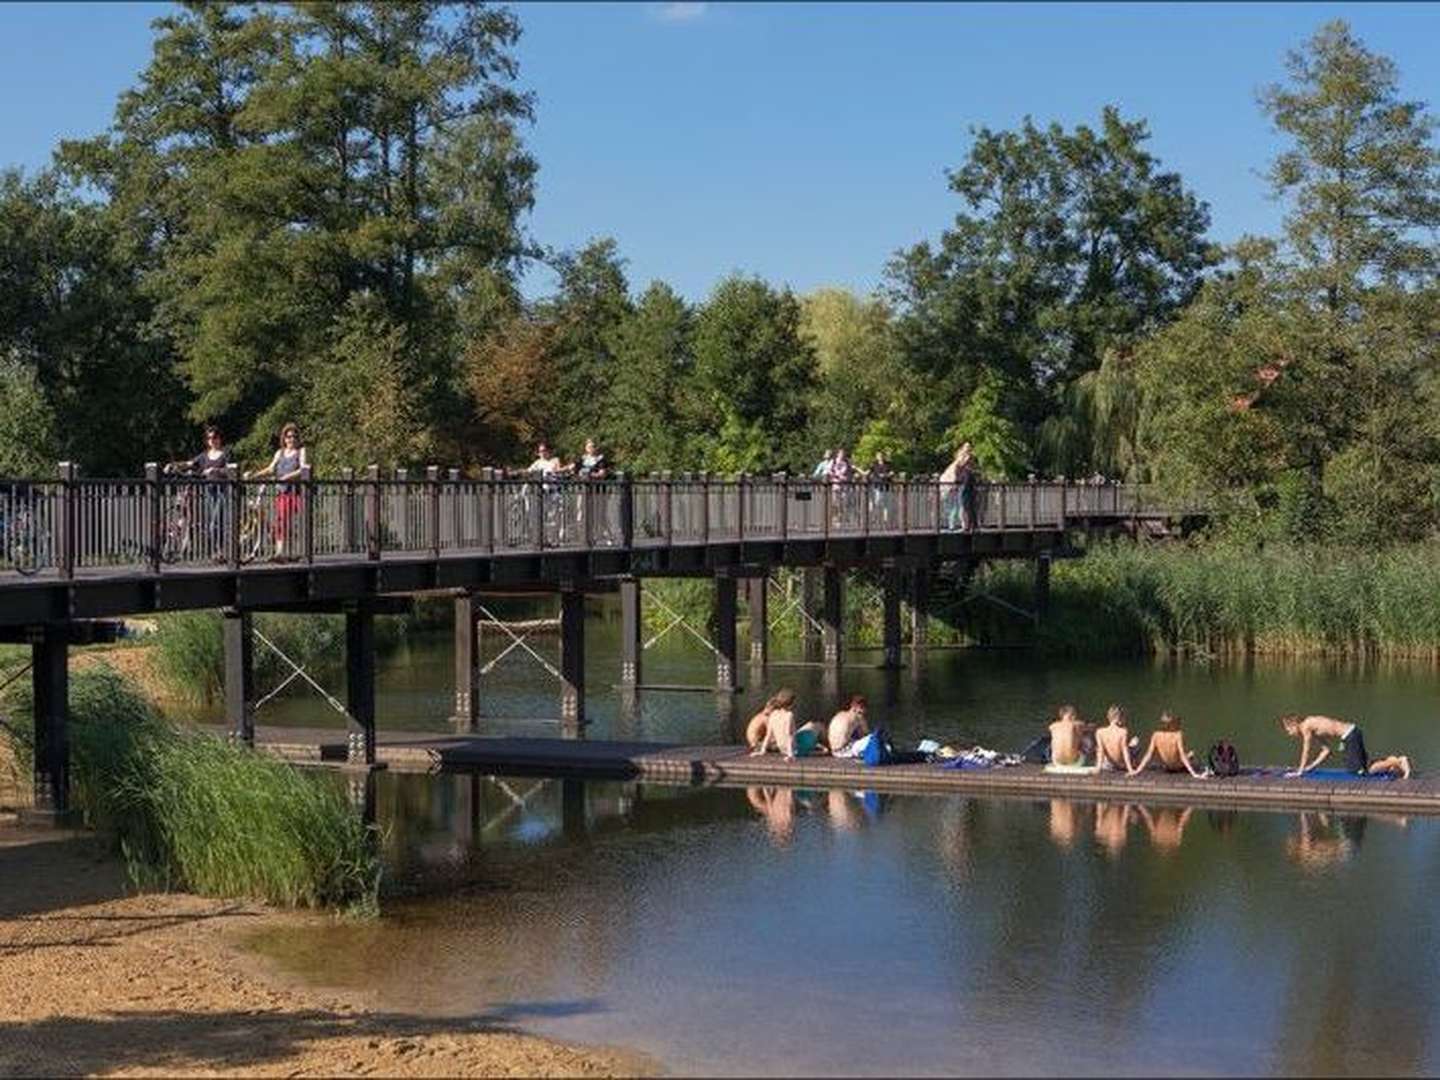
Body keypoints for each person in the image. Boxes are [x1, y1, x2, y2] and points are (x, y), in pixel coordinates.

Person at [244, 422, 308, 560]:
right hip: (281, 491)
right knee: (281, 520)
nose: (291, 439)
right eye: (288, 436)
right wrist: (254, 475)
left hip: (294, 491)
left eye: (294, 436)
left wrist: (287, 477)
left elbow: (303, 469)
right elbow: (271, 469)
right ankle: (284, 553)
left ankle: (283, 552)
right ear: (284, 438)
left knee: (285, 521)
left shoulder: (301, 451)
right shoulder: (279, 453)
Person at [1277, 714, 1411, 778]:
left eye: (1289, 730)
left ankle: (1398, 761)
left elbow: (1305, 751)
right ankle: (1391, 762)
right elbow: (1326, 751)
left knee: (1362, 772)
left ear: (1294, 725)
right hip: (1350, 734)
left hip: (1350, 735)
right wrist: (1309, 768)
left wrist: (1299, 772)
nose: (1289, 734)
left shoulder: (1306, 726)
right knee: (1357, 767)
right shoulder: (1312, 728)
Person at [1129, 711, 1207, 778]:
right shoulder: (1177, 735)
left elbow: (1148, 754)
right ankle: (1203, 768)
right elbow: (1182, 755)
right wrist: (1194, 774)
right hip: (1177, 766)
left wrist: (1137, 771)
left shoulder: (1156, 735)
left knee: (1156, 761)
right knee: (1192, 755)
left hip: (1166, 766)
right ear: (1172, 723)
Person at [750, 688, 798, 759]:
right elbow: (789, 735)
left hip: (782, 749)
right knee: (814, 726)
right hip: (793, 750)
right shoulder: (789, 715)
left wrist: (762, 751)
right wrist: (791, 754)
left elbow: (768, 735)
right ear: (791, 703)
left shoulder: (773, 714)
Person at [1094, 705, 1138, 772]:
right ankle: (1133, 764)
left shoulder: (1100, 732)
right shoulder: (1123, 731)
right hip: (1121, 764)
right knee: (1135, 741)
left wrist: (1098, 768)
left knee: (1098, 747)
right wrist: (1130, 769)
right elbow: (1124, 750)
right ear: (1120, 718)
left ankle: (1100, 766)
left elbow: (1101, 750)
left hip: (1107, 765)